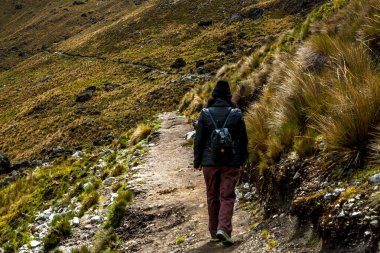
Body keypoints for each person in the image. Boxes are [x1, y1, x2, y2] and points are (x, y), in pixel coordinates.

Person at [193, 80, 248, 246]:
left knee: (212, 196)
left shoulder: (204, 114)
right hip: (230, 163)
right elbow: (243, 140)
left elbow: (199, 140)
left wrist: (197, 162)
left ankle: (213, 231)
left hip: (209, 163)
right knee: (227, 195)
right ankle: (223, 229)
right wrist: (242, 159)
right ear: (228, 96)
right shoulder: (236, 113)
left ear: (214, 96)